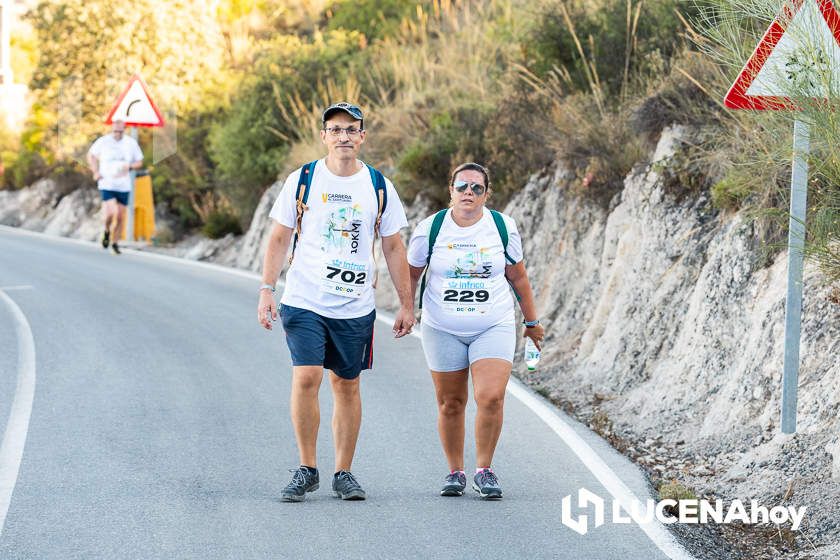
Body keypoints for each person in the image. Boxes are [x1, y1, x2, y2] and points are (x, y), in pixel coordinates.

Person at [257, 102, 415, 502]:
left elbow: (394, 246)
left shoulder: (378, 185)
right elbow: (278, 237)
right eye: (335, 129)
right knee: (307, 376)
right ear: (324, 136)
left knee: (346, 384)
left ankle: (343, 472)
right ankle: (307, 467)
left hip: (354, 305)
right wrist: (266, 290)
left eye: (351, 129)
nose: (343, 136)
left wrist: (406, 304)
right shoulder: (304, 179)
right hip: (305, 299)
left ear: (362, 137)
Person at [407, 162, 545, 500]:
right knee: (451, 403)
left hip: (492, 324)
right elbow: (410, 273)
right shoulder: (431, 229)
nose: (469, 193)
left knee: (491, 397)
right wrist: (405, 309)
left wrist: (532, 322)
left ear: (487, 193)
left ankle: (484, 470)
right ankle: (455, 471)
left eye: (477, 188)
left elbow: (518, 277)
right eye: (463, 187)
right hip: (442, 327)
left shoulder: (501, 227)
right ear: (450, 190)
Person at [87, 120, 144, 254]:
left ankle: (115, 242)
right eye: (115, 131)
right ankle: (107, 231)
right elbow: (91, 156)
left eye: (120, 131)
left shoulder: (130, 143)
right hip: (107, 183)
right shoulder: (104, 141)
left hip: (123, 185)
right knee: (111, 214)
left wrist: (129, 166)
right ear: (112, 129)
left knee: (120, 217)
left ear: (124, 130)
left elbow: (139, 162)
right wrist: (95, 171)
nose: (117, 134)